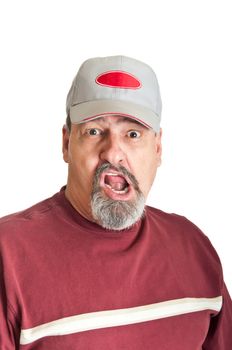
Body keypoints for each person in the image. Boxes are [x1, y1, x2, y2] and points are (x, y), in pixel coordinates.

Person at [0, 55, 231, 349]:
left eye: (133, 134)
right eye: (94, 131)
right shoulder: (8, 254)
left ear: (158, 148)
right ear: (66, 143)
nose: (113, 153)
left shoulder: (193, 248)